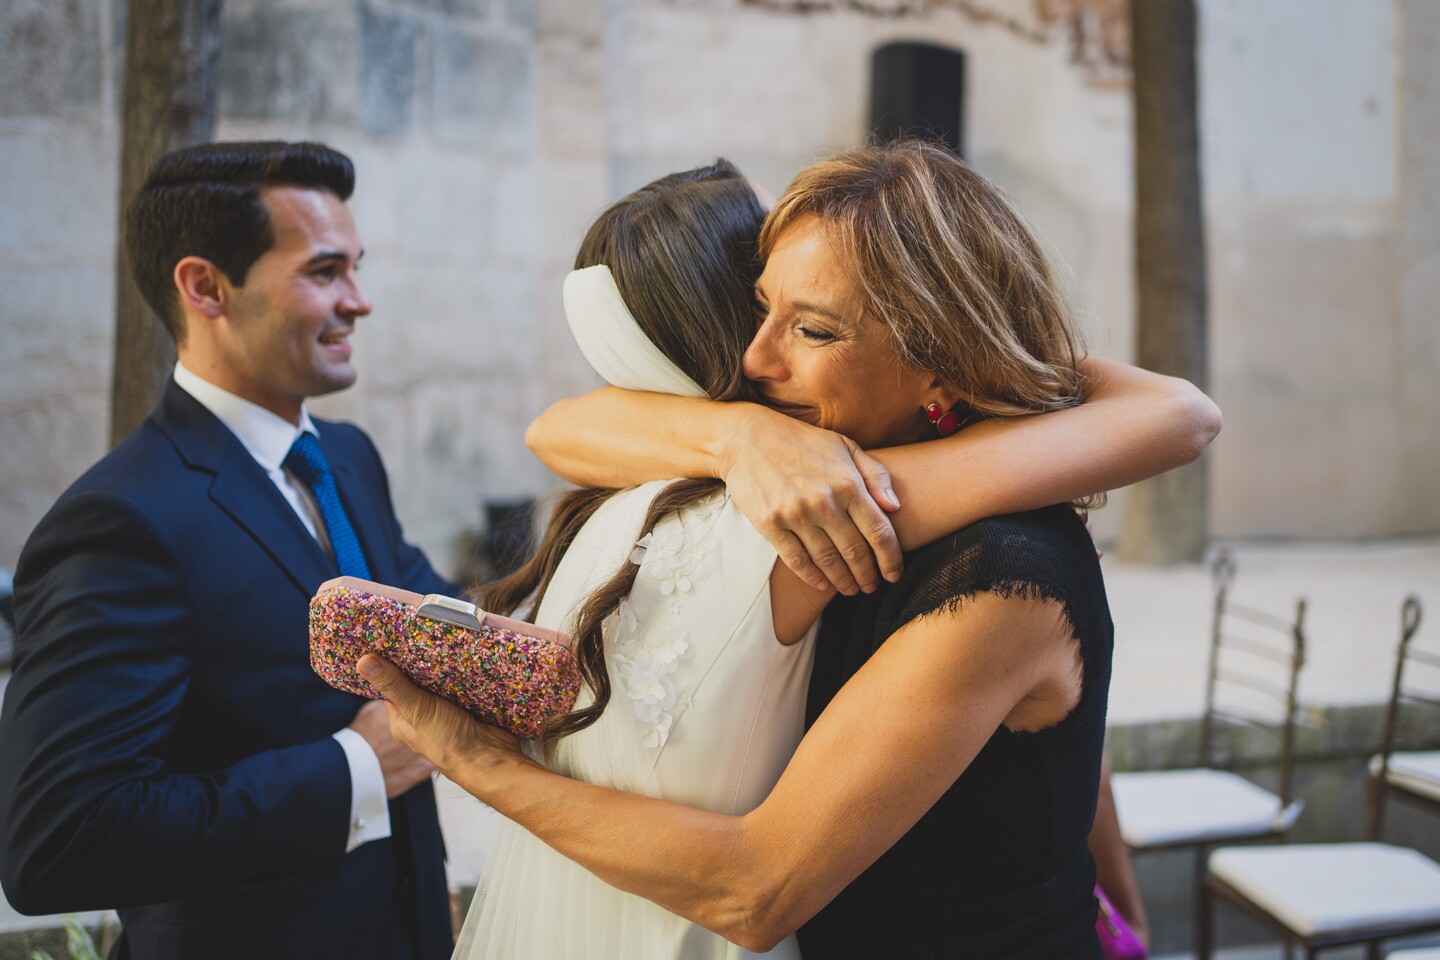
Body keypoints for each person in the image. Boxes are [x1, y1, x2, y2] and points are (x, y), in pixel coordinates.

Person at [368, 143, 1220, 959]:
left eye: (813, 331)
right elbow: (560, 427)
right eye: (759, 306)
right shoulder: (808, 483)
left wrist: (478, 763)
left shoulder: (994, 567)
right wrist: (735, 436)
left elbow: (756, 891)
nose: (752, 357)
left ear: (944, 370)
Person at [0, 141, 454, 960]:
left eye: (357, 266)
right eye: (324, 272)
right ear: (205, 287)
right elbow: (59, 840)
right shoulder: (121, 521)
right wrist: (354, 768)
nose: (360, 301)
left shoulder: (348, 458)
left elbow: (437, 620)